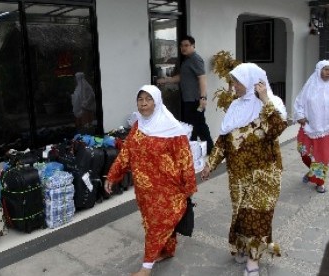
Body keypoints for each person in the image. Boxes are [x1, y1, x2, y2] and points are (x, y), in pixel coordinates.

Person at [200, 63, 287, 276]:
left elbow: (276, 128)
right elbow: (224, 140)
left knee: (258, 217)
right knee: (241, 214)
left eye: (237, 81)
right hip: (238, 175)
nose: (233, 85)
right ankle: (242, 247)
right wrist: (210, 164)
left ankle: (253, 260)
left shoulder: (272, 104)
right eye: (233, 80)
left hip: (265, 174)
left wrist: (265, 98)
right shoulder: (235, 106)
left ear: (252, 81)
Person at [104, 85, 197, 276]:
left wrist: (189, 185)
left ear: (157, 101)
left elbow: (185, 158)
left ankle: (145, 268)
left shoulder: (173, 129)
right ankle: (167, 250)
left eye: (148, 99)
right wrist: (113, 175)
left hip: (166, 188)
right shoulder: (139, 125)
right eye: (140, 99)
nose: (144, 103)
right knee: (151, 222)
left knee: (157, 225)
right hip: (144, 189)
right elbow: (126, 153)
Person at [157, 35, 214, 154]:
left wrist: (202, 98)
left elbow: (202, 78)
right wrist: (166, 80)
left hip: (195, 100)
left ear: (193, 46)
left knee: (199, 125)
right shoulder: (187, 60)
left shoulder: (195, 59)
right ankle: (191, 150)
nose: (183, 48)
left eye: (186, 45)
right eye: (182, 46)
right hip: (188, 99)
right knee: (191, 126)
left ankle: (211, 150)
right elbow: (182, 77)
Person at [293, 60, 329, 193]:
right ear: (318, 70)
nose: (328, 73)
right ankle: (312, 172)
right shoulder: (309, 86)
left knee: (323, 158)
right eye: (326, 69)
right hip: (309, 128)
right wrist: (300, 116)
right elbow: (299, 102)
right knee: (304, 154)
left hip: (326, 130)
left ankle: (320, 183)